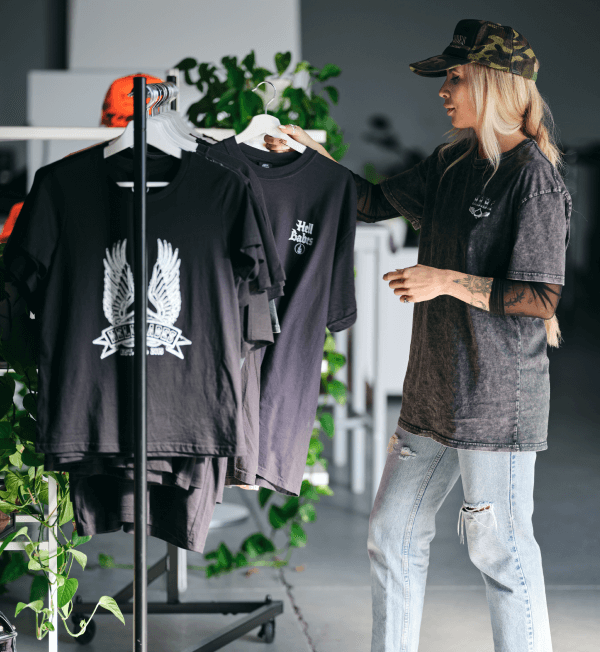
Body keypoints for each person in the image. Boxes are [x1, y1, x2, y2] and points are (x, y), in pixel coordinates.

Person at [264, 19, 570, 652]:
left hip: (495, 402)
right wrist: (308, 164)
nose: (443, 91)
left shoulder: (532, 178)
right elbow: (372, 201)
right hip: (431, 395)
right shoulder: (454, 161)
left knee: (502, 552)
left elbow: (540, 297)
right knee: (392, 534)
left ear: (492, 83)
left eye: (454, 77)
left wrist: (446, 279)